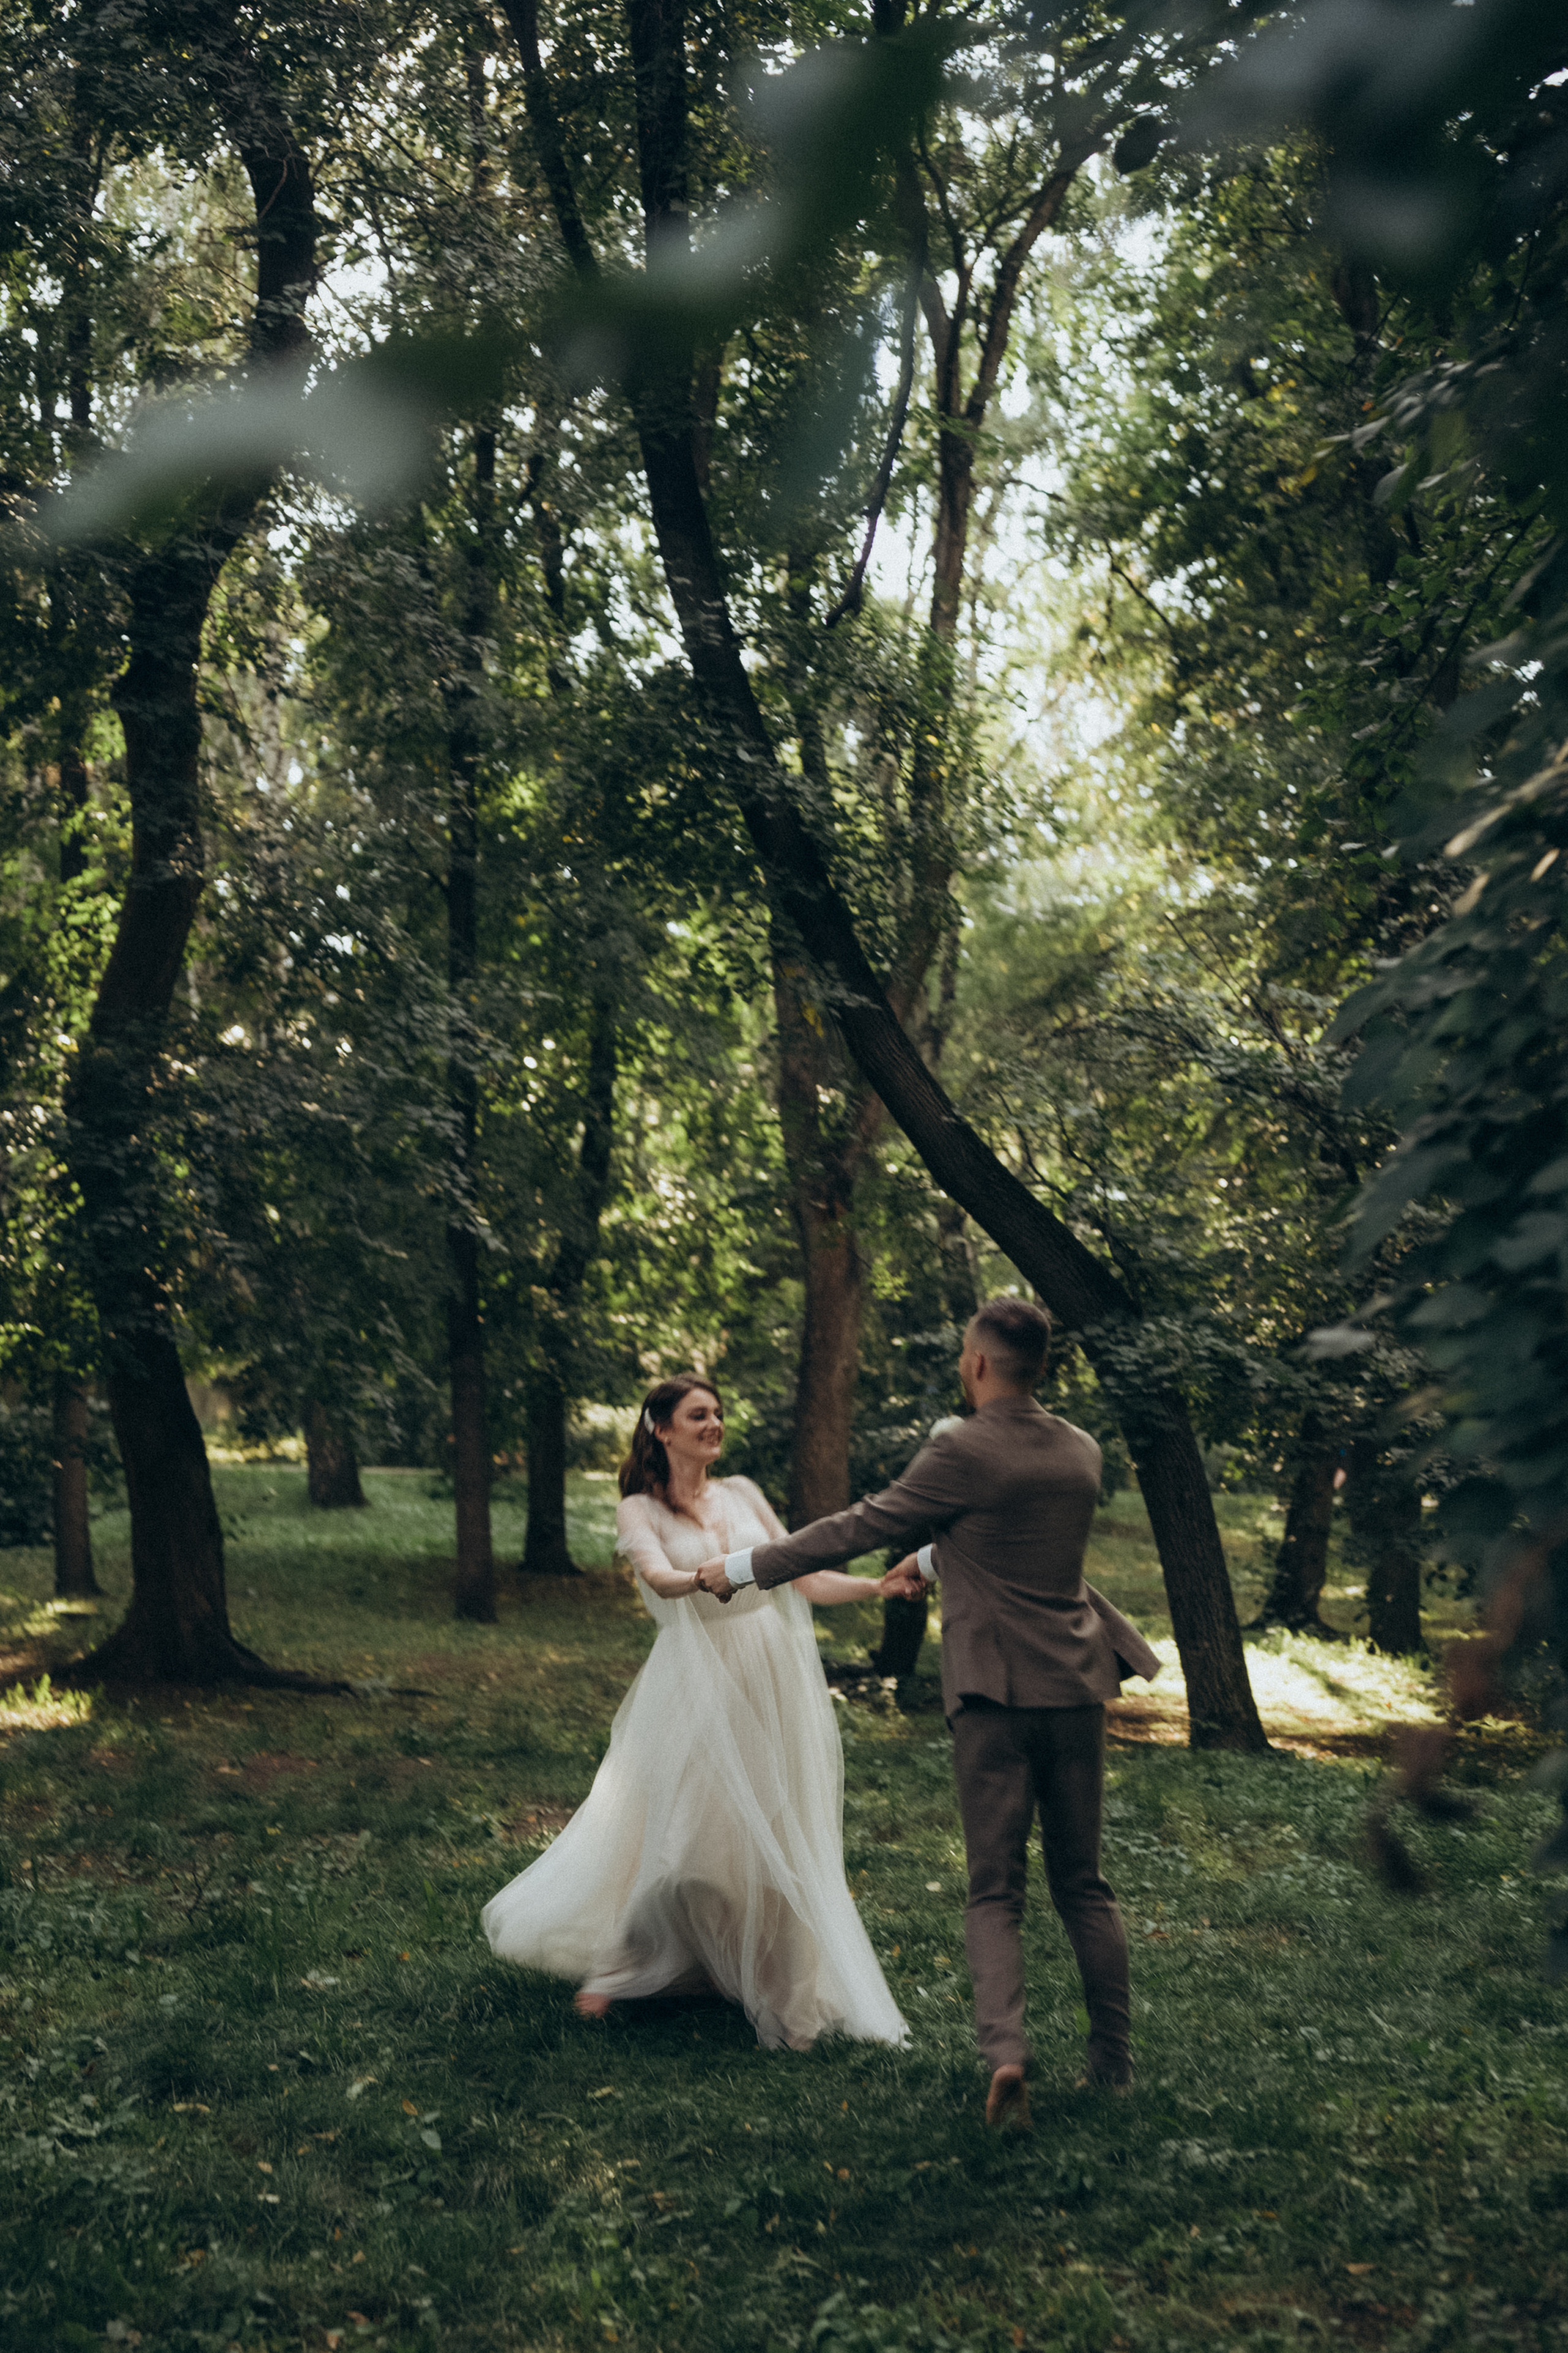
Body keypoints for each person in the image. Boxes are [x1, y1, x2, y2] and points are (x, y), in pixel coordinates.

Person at [694, 1297, 1159, 2128]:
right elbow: (1005, 1539)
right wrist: (931, 1557)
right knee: (1084, 1883)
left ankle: (1008, 2054)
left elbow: (860, 1523)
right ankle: (1113, 2062)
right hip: (1079, 1688)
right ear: (1040, 1365)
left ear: (978, 1364)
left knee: (995, 1889)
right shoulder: (1080, 1452)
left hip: (994, 1693)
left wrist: (744, 1564)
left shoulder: (963, 1449)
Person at [481, 1372, 908, 2052]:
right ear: (661, 1427)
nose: (713, 1424)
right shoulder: (638, 1509)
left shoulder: (743, 1493)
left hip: (769, 1673)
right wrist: (716, 1574)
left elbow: (804, 1573)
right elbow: (658, 1577)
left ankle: (772, 1982)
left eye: (718, 1412)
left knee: (773, 1831)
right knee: (683, 1843)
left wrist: (877, 1584)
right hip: (694, 1676)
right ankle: (630, 1960)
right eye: (698, 1414)